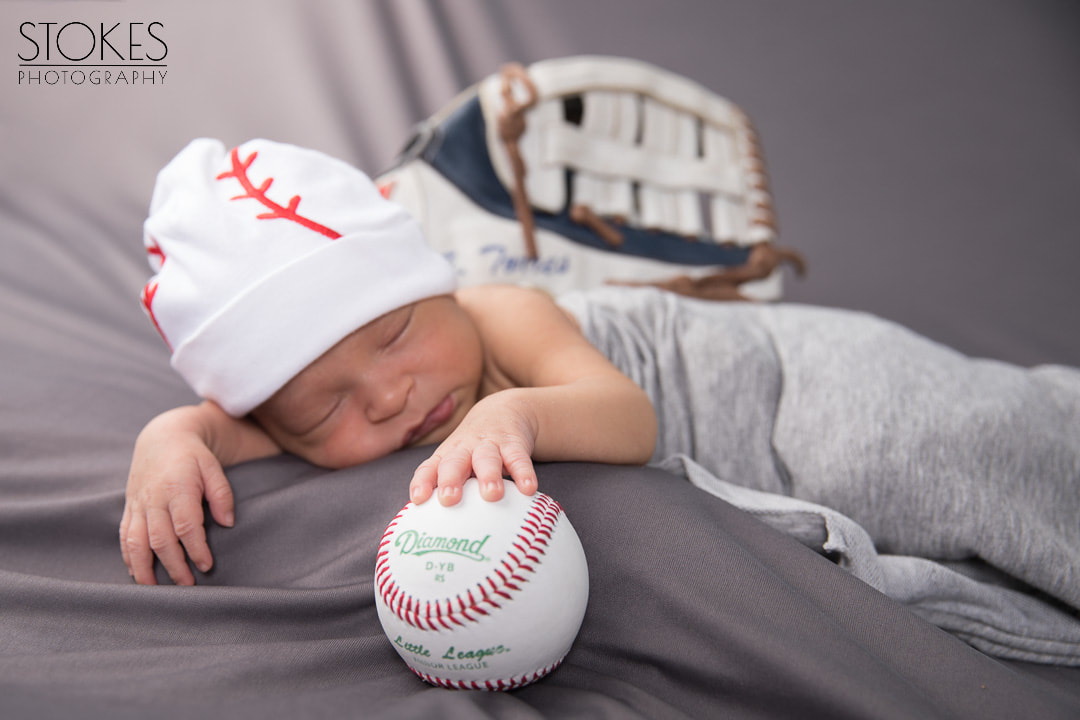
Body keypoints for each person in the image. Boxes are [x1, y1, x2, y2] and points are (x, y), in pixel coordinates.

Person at [121, 138, 656, 586]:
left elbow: (633, 418)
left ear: (441, 288)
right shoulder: (290, 421)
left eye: (394, 335)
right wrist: (169, 436)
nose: (388, 397)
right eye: (325, 410)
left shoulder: (504, 316)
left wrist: (516, 416)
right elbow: (229, 432)